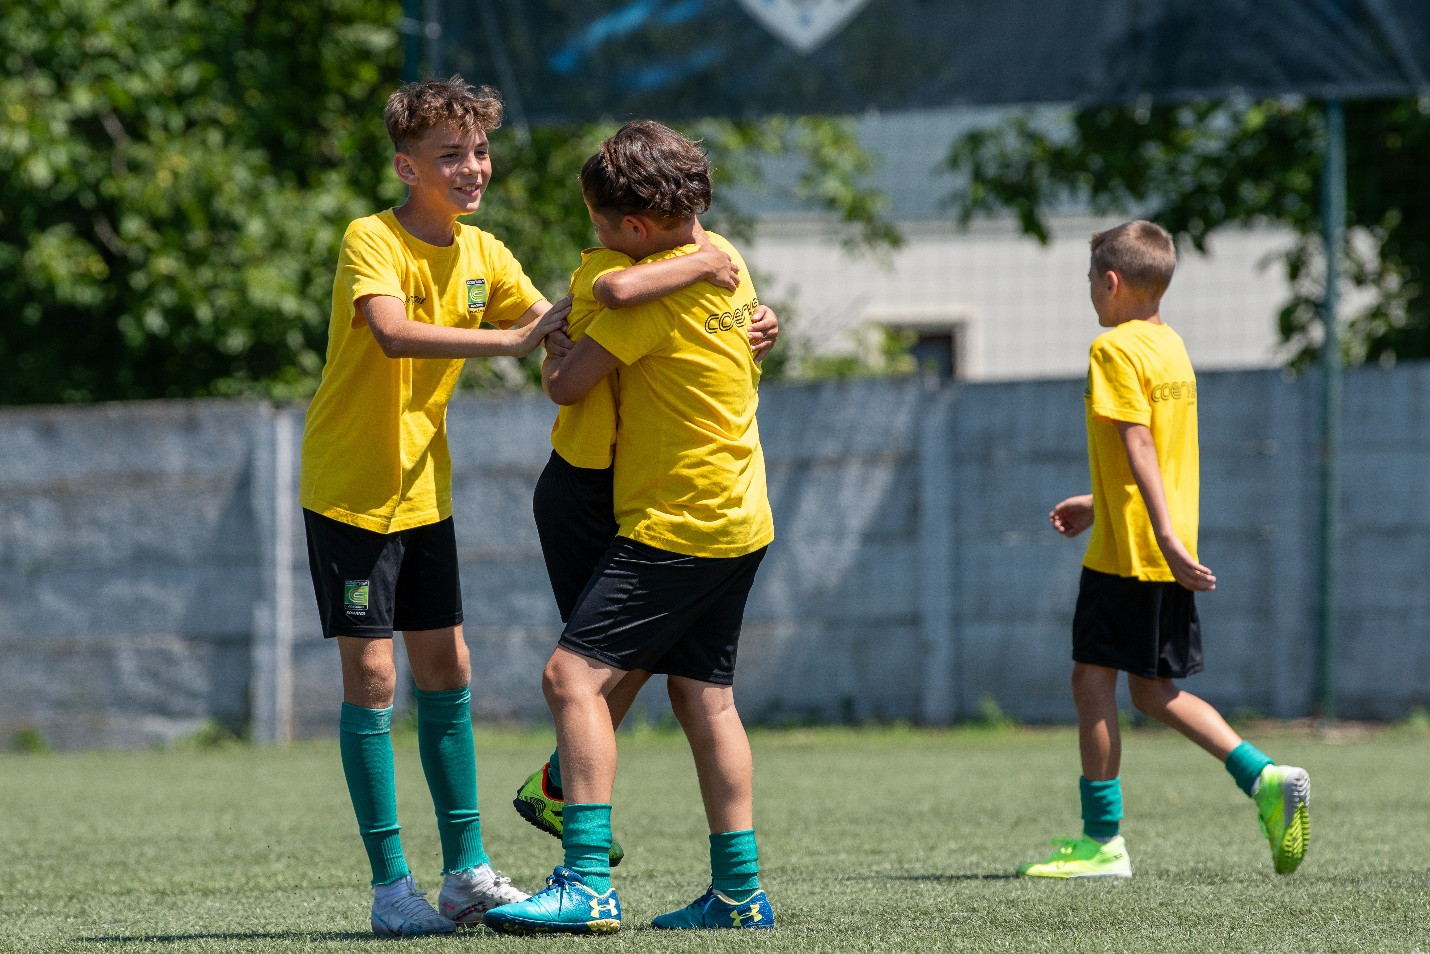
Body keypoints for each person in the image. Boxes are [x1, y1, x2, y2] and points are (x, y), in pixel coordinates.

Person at [301, 76, 583, 938]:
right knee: (375, 678)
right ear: (404, 165)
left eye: (481, 152)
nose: (473, 169)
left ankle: (466, 876)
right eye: (450, 156)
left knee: (449, 671)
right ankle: (393, 890)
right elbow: (388, 332)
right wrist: (510, 341)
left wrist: (711, 318)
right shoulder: (370, 239)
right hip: (350, 493)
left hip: (425, 494)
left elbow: (558, 328)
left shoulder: (486, 255)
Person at [484, 121, 776, 934]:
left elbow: (569, 387)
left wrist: (554, 352)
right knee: (705, 699)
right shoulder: (725, 258)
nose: (598, 240)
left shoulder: (647, 286)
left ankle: (587, 884)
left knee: (570, 680)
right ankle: (740, 893)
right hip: (741, 514)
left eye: (602, 225)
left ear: (637, 231)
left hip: (677, 519)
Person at [1019, 220, 1311, 879]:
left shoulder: (1113, 349)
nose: (1090, 292)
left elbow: (1140, 443)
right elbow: (1163, 453)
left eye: (1091, 279)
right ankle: (1265, 779)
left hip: (1130, 556)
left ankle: (1102, 845)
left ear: (1112, 282)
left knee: (1091, 681)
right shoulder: (1170, 347)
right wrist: (1101, 504)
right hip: (1156, 544)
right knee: (1153, 691)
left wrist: (1161, 537)